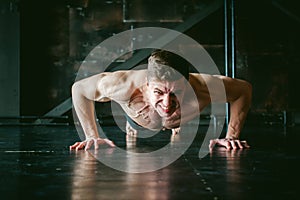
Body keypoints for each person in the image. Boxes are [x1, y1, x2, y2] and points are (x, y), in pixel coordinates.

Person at [70, 50, 252, 151]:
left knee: (176, 120)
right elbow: (79, 89)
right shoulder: (122, 85)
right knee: (138, 125)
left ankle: (175, 125)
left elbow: (243, 90)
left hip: (181, 117)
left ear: (187, 84)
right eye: (159, 92)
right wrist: (91, 136)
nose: (166, 103)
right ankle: (133, 125)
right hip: (138, 119)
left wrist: (231, 137)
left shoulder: (203, 87)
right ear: (147, 85)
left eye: (175, 92)